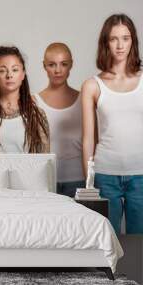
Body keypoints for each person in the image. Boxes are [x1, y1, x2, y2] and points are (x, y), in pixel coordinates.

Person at [81, 14, 143, 234]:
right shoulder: (92, 85)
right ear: (105, 42)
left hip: (141, 175)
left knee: (140, 242)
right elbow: (88, 138)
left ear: (133, 41)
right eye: (114, 39)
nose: (120, 45)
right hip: (105, 174)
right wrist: (88, 183)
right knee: (107, 241)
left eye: (125, 38)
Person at [36, 43, 83, 197]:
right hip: (45, 181)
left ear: (71, 65)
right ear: (44, 66)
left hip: (79, 180)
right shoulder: (33, 102)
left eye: (63, 64)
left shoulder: (84, 99)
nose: (58, 70)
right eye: (51, 65)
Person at [0, 46, 49, 154]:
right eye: (2, 70)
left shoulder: (36, 115)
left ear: (23, 74)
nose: (9, 75)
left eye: (15, 70)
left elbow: (45, 161)